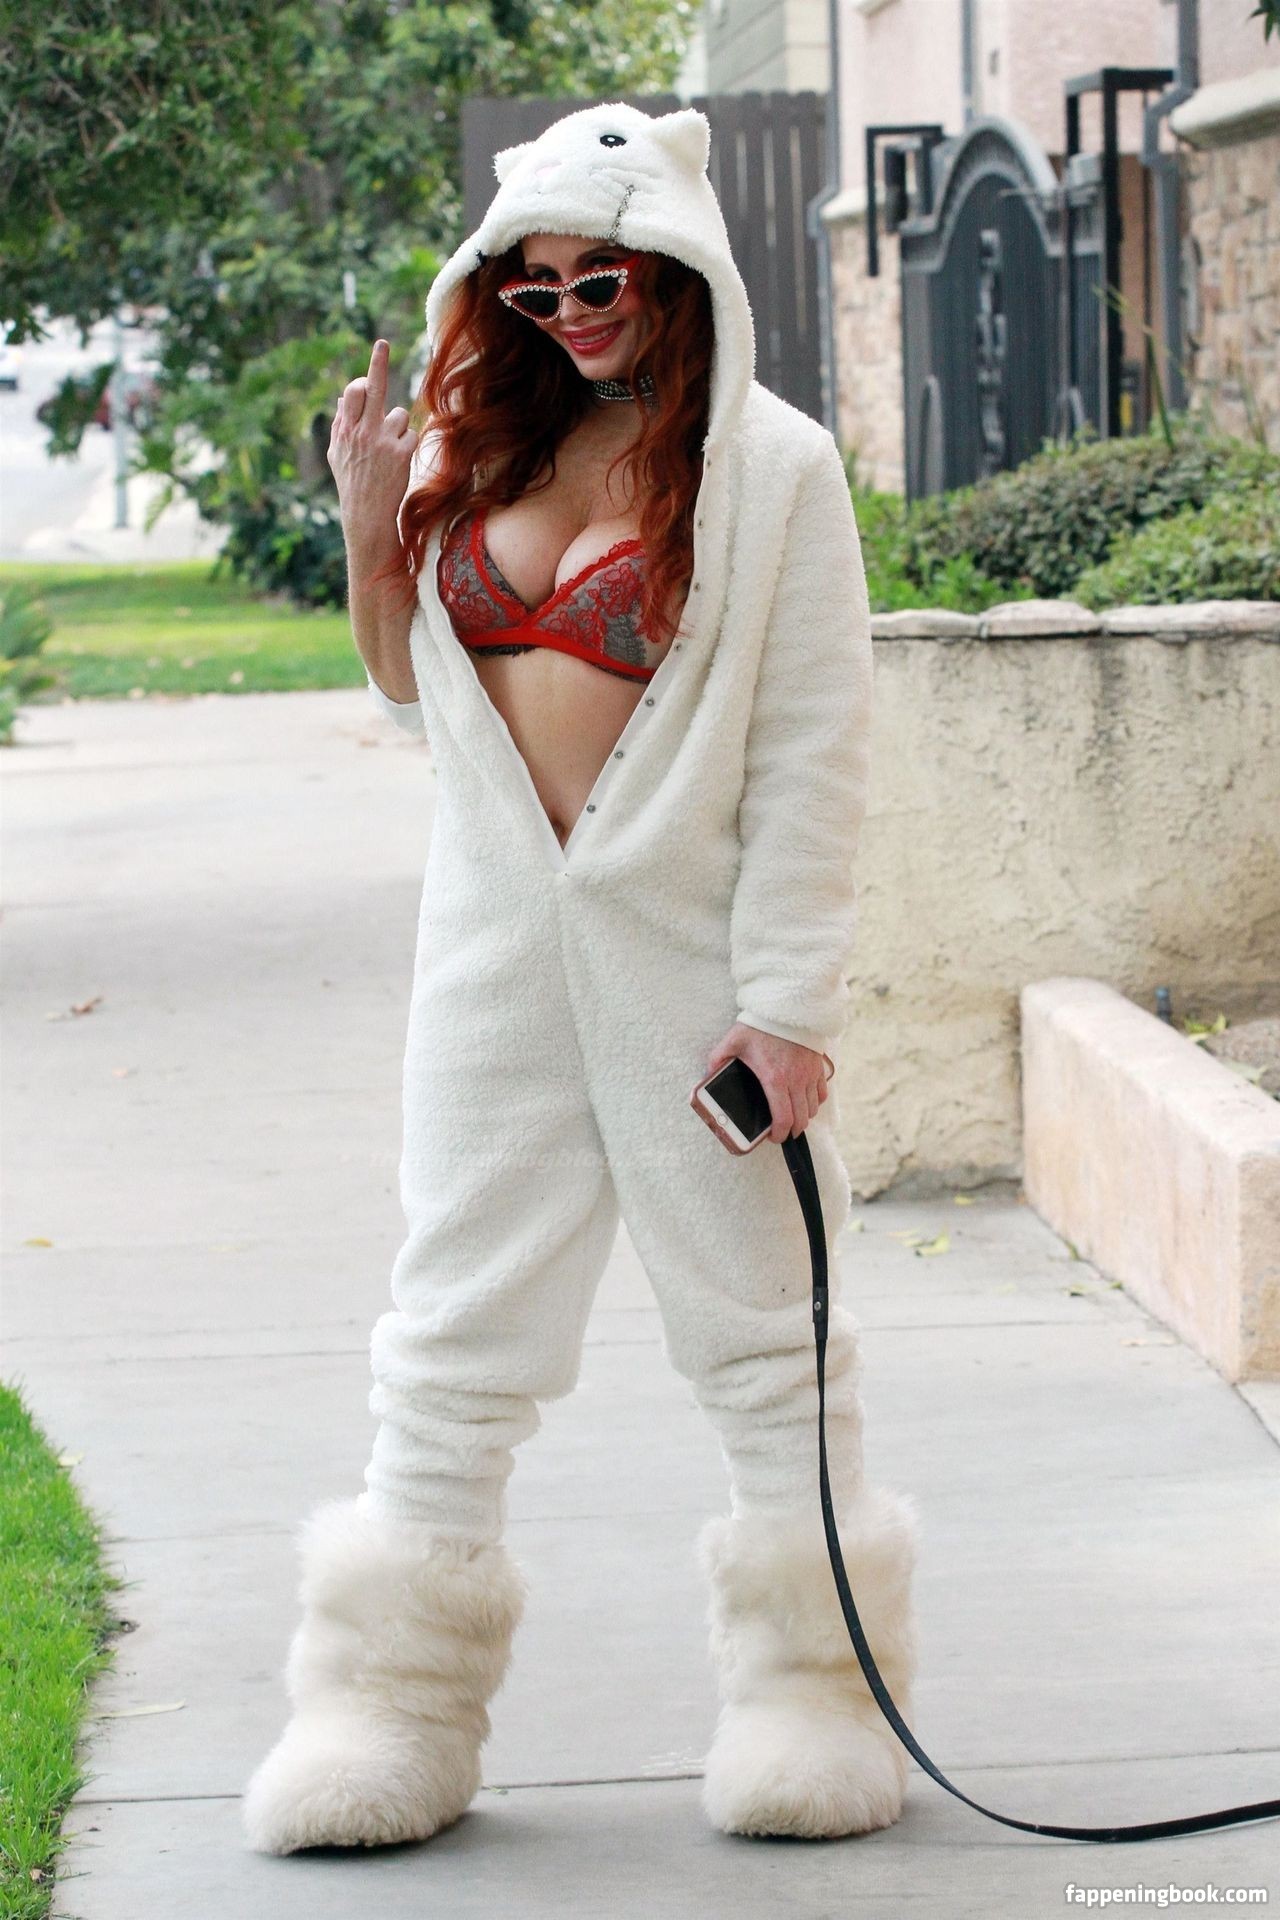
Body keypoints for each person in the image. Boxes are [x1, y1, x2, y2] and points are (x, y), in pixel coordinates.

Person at [243, 98, 920, 1856]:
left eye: (597, 278)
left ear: (675, 264)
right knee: (449, 1342)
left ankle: (815, 1702)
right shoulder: (485, 442)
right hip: (491, 958)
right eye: (530, 289)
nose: (566, 314)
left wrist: (791, 1008)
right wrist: (373, 524)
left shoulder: (774, 471)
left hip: (691, 975)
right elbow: (411, 688)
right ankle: (388, 1711)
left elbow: (814, 757)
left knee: (766, 1343)